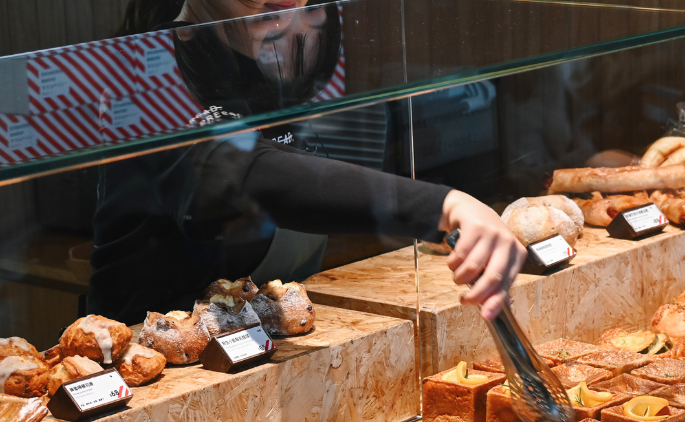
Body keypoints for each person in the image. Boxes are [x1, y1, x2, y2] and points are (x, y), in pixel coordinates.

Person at [92, 0, 524, 324]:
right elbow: (242, 171)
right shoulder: (146, 64)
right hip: (150, 355)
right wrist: (441, 205)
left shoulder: (266, 48)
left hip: (262, 340)